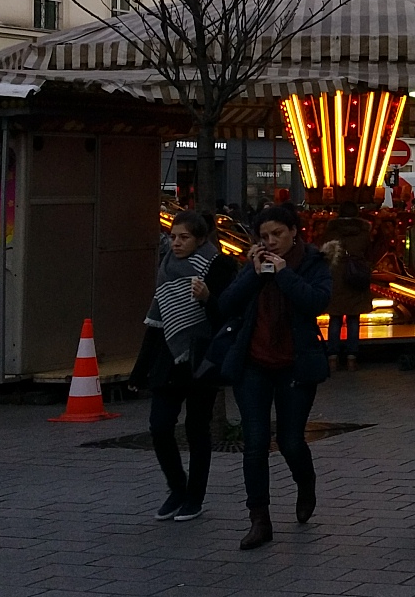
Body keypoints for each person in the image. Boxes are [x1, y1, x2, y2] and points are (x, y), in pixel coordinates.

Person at [217, 210, 336, 551]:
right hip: (253, 363)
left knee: (290, 440)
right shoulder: (252, 264)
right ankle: (259, 519)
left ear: (294, 232)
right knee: (254, 441)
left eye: (277, 234)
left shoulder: (312, 261)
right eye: (264, 236)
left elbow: (317, 302)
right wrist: (252, 275)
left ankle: (306, 482)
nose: (270, 242)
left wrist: (284, 276)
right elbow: (226, 304)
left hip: (295, 365)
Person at [137, 209, 237, 522]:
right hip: (169, 356)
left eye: (184, 238)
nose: (176, 243)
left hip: (201, 358)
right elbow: (156, 320)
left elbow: (227, 318)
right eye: (173, 237)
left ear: (201, 238)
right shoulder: (166, 266)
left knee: (197, 430)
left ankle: (195, 496)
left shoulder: (219, 266)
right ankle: (176, 487)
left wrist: (208, 297)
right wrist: (140, 369)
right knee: (160, 426)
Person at [321, 202, 372, 372]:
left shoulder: (331, 232)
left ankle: (332, 358)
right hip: (355, 276)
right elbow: (371, 251)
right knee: (353, 318)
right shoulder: (364, 232)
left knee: (335, 318)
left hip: (336, 276)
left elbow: (323, 252)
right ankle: (352, 358)